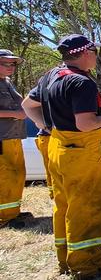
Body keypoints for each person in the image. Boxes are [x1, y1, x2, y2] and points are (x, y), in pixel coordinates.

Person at [22, 35, 101, 278]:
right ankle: (87, 265)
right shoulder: (82, 83)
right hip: (81, 153)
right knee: (89, 206)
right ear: (84, 53)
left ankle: (67, 258)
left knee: (64, 206)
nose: (96, 56)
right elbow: (86, 124)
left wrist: (49, 127)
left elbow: (28, 105)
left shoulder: (51, 76)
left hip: (58, 148)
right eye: (94, 51)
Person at [0, 49, 29, 229]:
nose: (10, 67)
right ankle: (4, 218)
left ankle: (13, 212)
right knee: (5, 175)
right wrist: (15, 114)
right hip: (2, 138)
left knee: (17, 174)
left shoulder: (7, 83)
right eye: (5, 63)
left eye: (12, 64)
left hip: (14, 137)